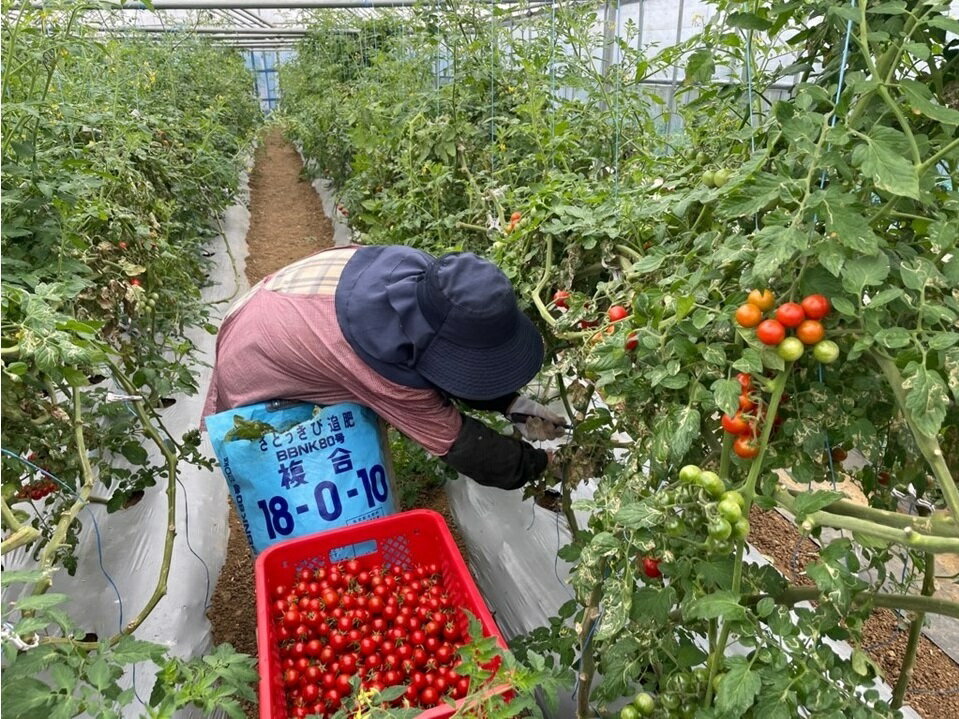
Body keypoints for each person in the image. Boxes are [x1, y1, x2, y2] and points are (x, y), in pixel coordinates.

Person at [201, 244, 566, 490]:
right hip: (254, 362)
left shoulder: (420, 278)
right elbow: (462, 446)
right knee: (304, 482)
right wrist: (544, 463)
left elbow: (449, 357)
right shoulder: (378, 365)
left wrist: (511, 404)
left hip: (276, 305)